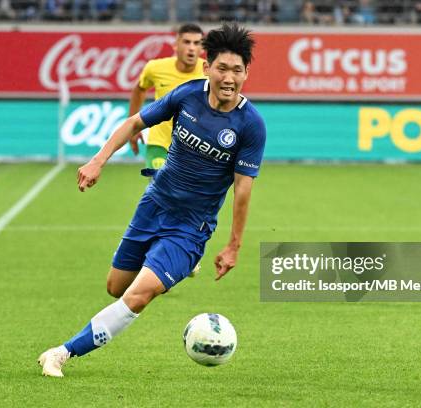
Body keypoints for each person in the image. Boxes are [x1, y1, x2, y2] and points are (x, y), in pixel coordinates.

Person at [38, 22, 266, 377]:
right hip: (154, 204)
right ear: (207, 68)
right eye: (222, 68)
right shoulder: (186, 95)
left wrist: (233, 245)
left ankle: (62, 352)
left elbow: (243, 188)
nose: (229, 77)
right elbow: (134, 123)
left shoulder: (250, 125)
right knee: (116, 287)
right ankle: (177, 267)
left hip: (191, 227)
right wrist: (98, 160)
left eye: (237, 70)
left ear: (247, 73)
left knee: (139, 296)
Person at [128, 23, 206, 170]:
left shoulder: (208, 72)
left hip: (194, 147)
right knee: (159, 190)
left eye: (196, 43)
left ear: (202, 48)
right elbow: (139, 90)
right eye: (186, 42)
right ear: (176, 45)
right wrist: (133, 128)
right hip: (159, 143)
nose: (191, 47)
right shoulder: (155, 68)